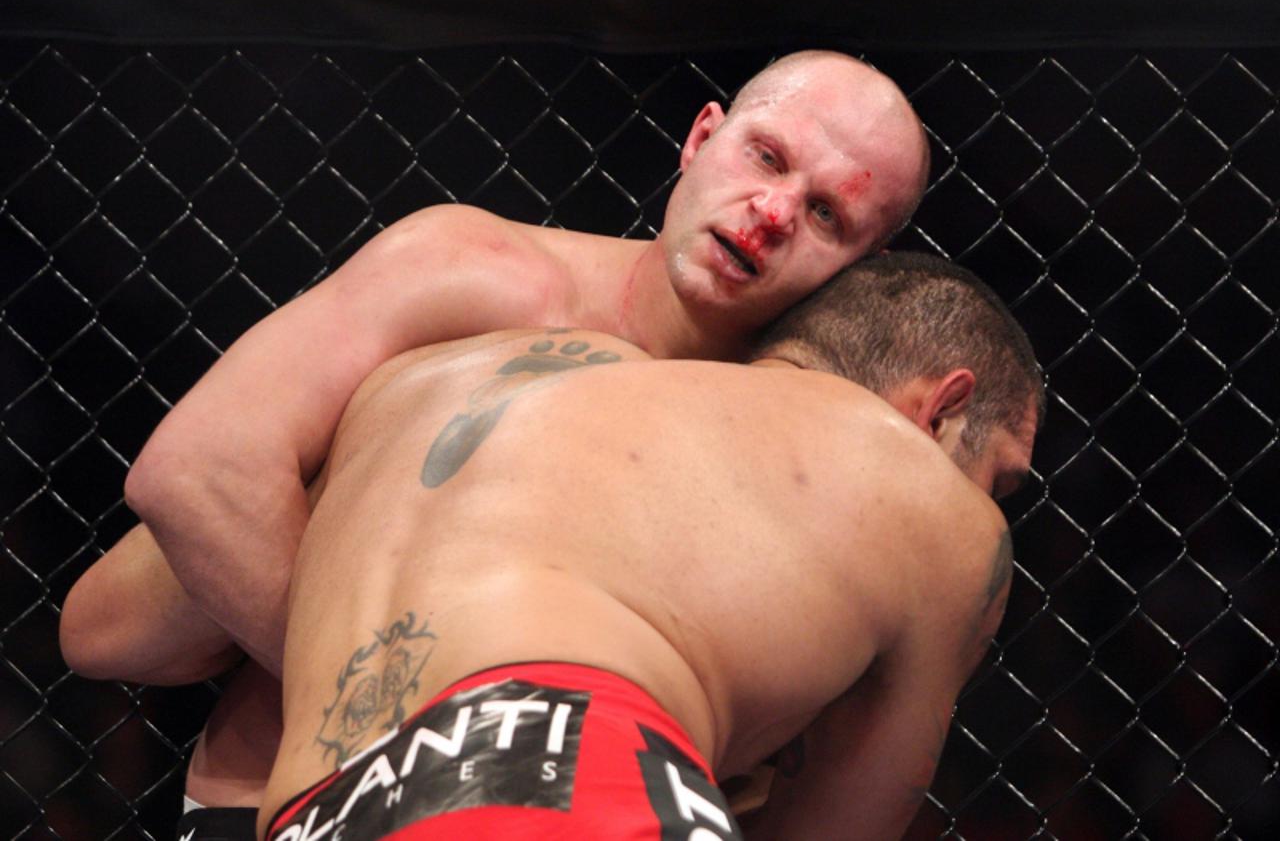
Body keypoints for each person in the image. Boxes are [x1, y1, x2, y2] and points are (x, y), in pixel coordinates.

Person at [63, 49, 929, 834]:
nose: (772, 212)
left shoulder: (788, 449)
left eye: (824, 213)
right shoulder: (483, 275)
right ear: (701, 138)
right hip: (279, 799)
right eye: (766, 157)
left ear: (859, 267)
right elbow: (182, 497)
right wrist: (410, 710)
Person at [68, 252, 1043, 839]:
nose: (983, 501)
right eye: (994, 472)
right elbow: (834, 828)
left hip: (307, 803)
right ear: (942, 407)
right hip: (566, 771)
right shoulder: (926, 500)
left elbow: (106, 628)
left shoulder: (434, 380)